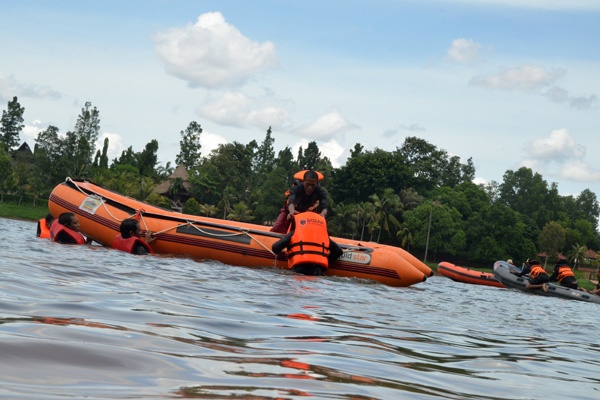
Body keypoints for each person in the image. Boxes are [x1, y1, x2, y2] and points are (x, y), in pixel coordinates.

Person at [272, 211, 343, 276]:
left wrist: (283, 253)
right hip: (318, 271)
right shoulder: (323, 236)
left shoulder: (294, 233)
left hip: (300, 270)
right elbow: (338, 251)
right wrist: (325, 260)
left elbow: (275, 248)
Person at [270, 170, 329, 234]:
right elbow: (291, 200)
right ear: (303, 182)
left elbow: (324, 205)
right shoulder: (296, 188)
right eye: (307, 184)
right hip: (289, 211)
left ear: (317, 184)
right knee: (277, 228)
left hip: (304, 213)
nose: (310, 188)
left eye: (313, 185)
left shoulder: (320, 191)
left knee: (300, 232)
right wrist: (292, 211)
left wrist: (322, 214)